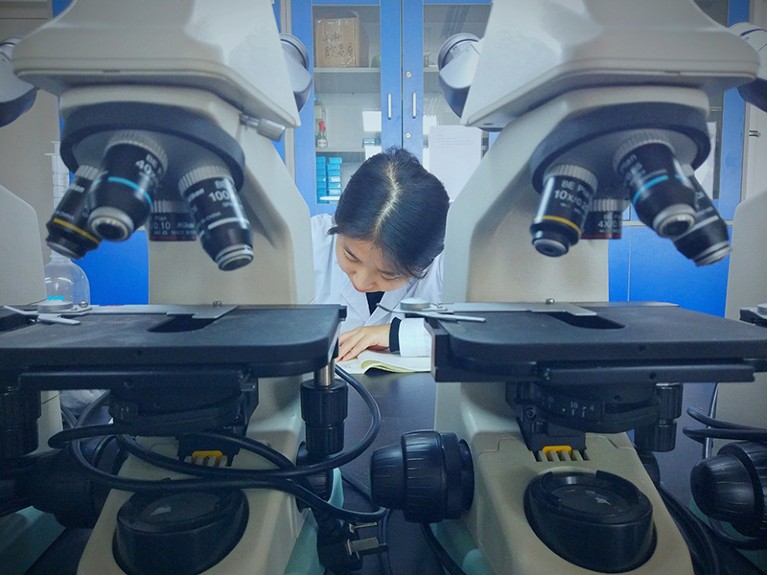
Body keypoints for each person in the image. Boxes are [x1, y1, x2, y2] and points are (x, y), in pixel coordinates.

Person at [311, 147, 450, 361]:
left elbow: (481, 331)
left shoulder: (448, 263)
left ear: (425, 262)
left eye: (389, 274)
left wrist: (395, 334)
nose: (361, 283)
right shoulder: (307, 242)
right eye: (350, 256)